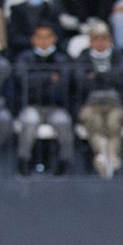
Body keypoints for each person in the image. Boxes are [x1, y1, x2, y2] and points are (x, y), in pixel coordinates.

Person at [15, 23, 75, 176]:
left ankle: (64, 163)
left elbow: (65, 82)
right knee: (29, 121)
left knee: (63, 122)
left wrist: (37, 80)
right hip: (31, 105)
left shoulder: (61, 58)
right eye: (39, 37)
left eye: (47, 37)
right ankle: (23, 161)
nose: (43, 41)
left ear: (54, 39)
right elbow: (23, 80)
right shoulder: (25, 57)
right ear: (33, 40)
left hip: (55, 106)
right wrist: (50, 78)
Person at [73, 21, 123, 178]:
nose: (100, 43)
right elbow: (80, 81)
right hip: (90, 104)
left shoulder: (118, 56)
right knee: (94, 122)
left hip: (116, 104)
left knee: (113, 123)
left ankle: (110, 158)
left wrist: (96, 76)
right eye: (96, 39)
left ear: (110, 40)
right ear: (91, 42)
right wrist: (107, 76)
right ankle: (103, 156)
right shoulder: (83, 57)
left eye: (104, 39)